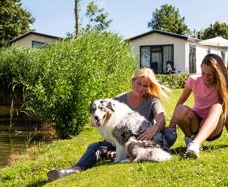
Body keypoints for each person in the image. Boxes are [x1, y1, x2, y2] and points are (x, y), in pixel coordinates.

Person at [47, 68, 176, 180]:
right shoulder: (118, 99)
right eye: (139, 83)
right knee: (94, 147)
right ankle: (73, 170)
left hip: (142, 139)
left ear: (149, 87)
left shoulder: (152, 100)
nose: (141, 88)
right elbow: (103, 113)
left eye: (145, 85)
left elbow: (161, 118)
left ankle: (118, 154)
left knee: (169, 134)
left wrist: (155, 127)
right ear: (132, 81)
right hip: (118, 140)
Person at [167, 54, 228, 159]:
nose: (206, 77)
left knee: (217, 107)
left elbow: (227, 114)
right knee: (180, 108)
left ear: (218, 74)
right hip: (196, 123)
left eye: (210, 74)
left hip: (213, 128)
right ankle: (190, 140)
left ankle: (195, 145)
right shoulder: (193, 80)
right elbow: (181, 100)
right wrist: (171, 127)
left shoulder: (222, 86)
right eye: (203, 73)